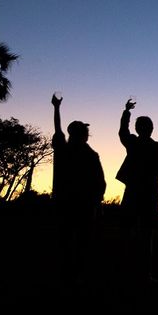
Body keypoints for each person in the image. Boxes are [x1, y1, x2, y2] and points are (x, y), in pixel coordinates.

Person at [51, 93, 105, 283]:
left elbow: (57, 129)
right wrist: (97, 201)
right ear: (83, 135)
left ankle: (67, 274)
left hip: (64, 202)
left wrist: (56, 108)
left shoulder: (62, 149)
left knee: (65, 239)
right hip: (83, 204)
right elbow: (100, 182)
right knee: (82, 240)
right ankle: (77, 274)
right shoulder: (90, 155)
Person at [116, 99, 158, 282]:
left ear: (138, 129)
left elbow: (123, 131)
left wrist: (126, 112)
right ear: (151, 129)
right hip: (149, 192)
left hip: (135, 191)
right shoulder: (157, 147)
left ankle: (129, 271)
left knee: (129, 232)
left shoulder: (134, 143)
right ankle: (143, 273)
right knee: (145, 234)